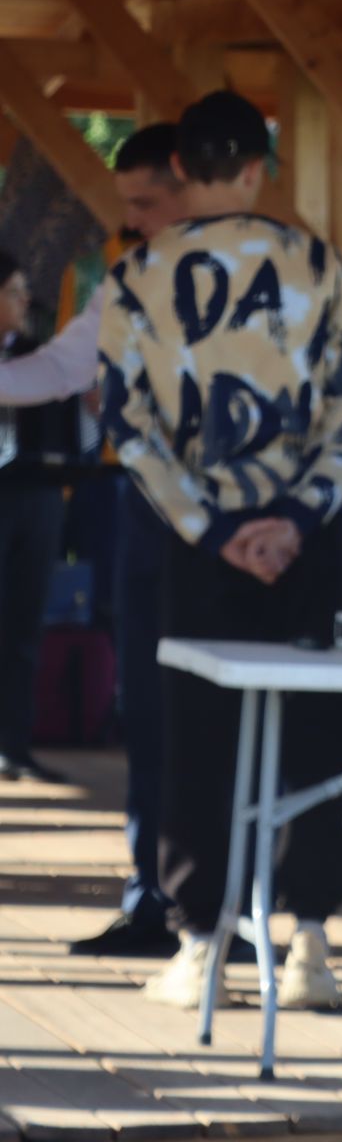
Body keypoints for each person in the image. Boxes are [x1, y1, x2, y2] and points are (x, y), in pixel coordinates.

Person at [96, 91, 342, 1009]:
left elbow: (128, 426)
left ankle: (198, 947)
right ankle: (310, 943)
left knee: (197, 738)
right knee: (319, 732)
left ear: (180, 170)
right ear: (260, 168)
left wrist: (216, 529)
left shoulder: (136, 277)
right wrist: (297, 517)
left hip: (203, 543)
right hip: (309, 540)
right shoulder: (317, 263)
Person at [0, 124, 197, 955]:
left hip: (244, 537)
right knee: (145, 714)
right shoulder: (127, 281)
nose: (134, 221)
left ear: (199, 185)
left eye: (147, 204)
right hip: (147, 515)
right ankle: (151, 900)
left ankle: (235, 910)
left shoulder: (279, 278)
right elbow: (59, 368)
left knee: (223, 723)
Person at [0, 247, 76, 787]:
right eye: (14, 291)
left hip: (33, 502)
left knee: (24, 624)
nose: (25, 300)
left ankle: (14, 746)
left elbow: (66, 441)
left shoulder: (42, 357)